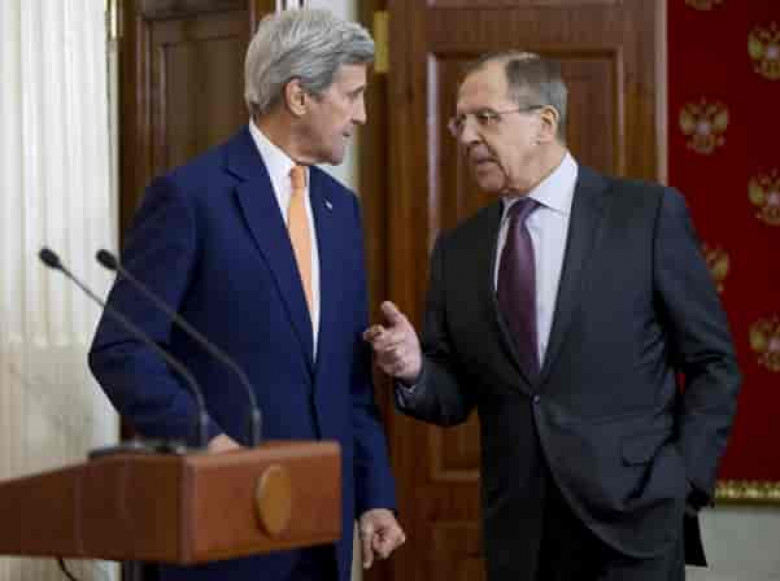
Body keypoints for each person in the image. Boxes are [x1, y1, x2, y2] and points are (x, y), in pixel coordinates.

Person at [364, 52, 741, 581]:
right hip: (520, 536)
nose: (466, 137)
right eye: (459, 122)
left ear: (544, 123)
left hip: (636, 524)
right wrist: (414, 370)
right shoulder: (458, 250)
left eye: (485, 118)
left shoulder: (646, 216)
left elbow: (713, 364)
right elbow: (453, 394)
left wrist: (682, 480)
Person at [89, 9, 404, 581]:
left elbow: (346, 379)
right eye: (352, 95)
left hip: (323, 533)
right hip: (225, 527)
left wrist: (374, 494)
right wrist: (207, 441)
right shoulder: (190, 198)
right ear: (300, 96)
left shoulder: (341, 210)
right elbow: (121, 351)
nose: (361, 114)